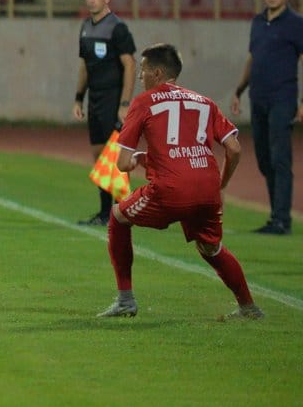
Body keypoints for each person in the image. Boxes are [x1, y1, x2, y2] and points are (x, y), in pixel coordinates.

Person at [98, 43, 262, 321]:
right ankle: (248, 307)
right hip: (208, 188)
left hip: (170, 190)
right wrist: (221, 186)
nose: (140, 78)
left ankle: (126, 301)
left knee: (117, 217)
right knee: (211, 248)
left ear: (158, 73)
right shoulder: (204, 101)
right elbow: (234, 148)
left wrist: (139, 158)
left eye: (143, 71)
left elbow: (123, 164)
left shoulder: (144, 102)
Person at [229, 0, 303, 235]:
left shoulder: (296, 23)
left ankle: (282, 220)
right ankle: (275, 216)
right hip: (257, 98)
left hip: (283, 99)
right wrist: (239, 89)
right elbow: (252, 58)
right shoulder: (258, 22)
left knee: (280, 158)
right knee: (264, 159)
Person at [73, 0, 136, 225]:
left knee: (115, 158)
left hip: (112, 98)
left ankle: (122, 212)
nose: (91, 0)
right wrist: (79, 97)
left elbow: (130, 64)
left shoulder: (117, 28)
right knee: (99, 156)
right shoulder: (86, 27)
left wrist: (125, 102)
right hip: (95, 99)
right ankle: (104, 213)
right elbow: (84, 67)